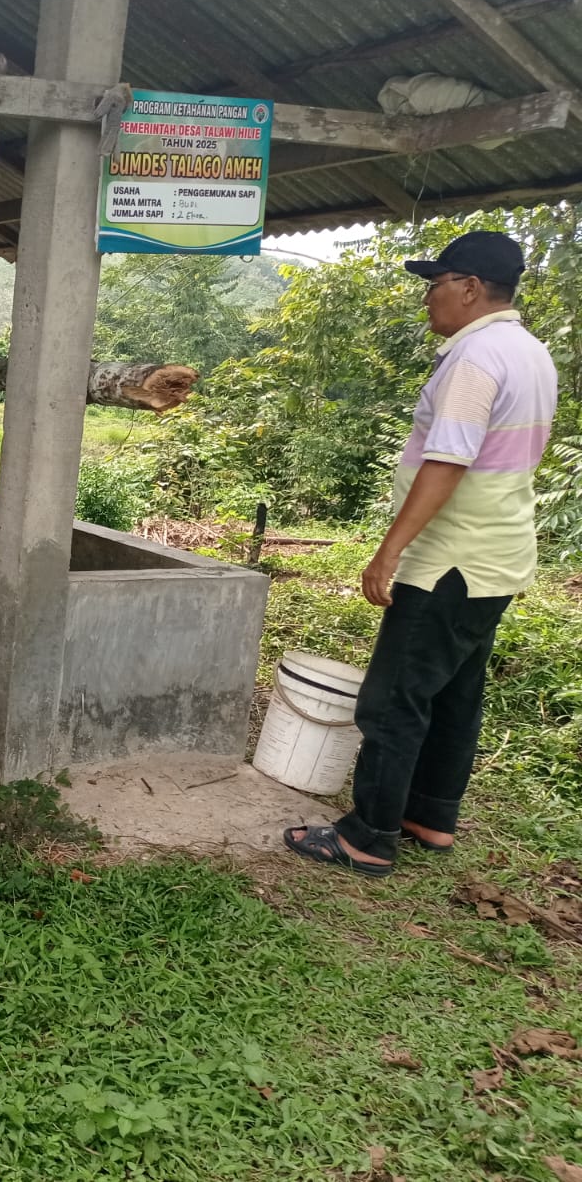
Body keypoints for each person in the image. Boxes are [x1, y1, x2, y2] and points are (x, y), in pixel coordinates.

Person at [284, 230, 557, 877]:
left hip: (450, 561)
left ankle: (366, 836)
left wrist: (388, 553)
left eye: (435, 284)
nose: (428, 299)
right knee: (456, 692)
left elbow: (447, 462)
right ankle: (429, 816)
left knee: (394, 698)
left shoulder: (475, 358)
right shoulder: (530, 351)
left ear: (468, 288)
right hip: (497, 557)